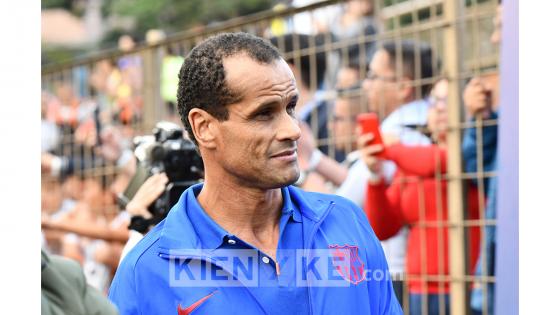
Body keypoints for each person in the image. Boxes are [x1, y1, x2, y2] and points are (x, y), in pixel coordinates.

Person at [109, 32, 402, 315]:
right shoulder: (145, 271)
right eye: (264, 113)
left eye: (291, 108)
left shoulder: (344, 222)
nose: (293, 130)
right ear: (204, 127)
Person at [360, 79, 481, 315]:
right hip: (421, 291)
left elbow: (444, 161)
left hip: (470, 288)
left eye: (448, 101)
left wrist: (390, 149)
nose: (439, 108)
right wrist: (375, 176)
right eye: (434, 101)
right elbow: (383, 228)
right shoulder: (413, 163)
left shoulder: (473, 155)